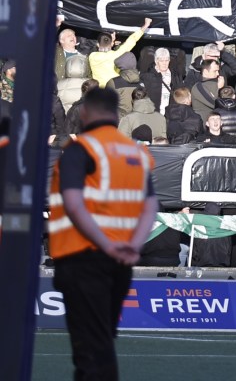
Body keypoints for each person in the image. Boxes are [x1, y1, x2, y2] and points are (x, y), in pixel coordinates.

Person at [48, 87, 158, 381]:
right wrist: (132, 247)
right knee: (102, 339)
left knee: (91, 349)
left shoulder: (81, 149)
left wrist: (107, 245)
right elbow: (150, 206)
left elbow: (73, 203)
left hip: (83, 256)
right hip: (121, 262)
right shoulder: (135, 152)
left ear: (85, 113)